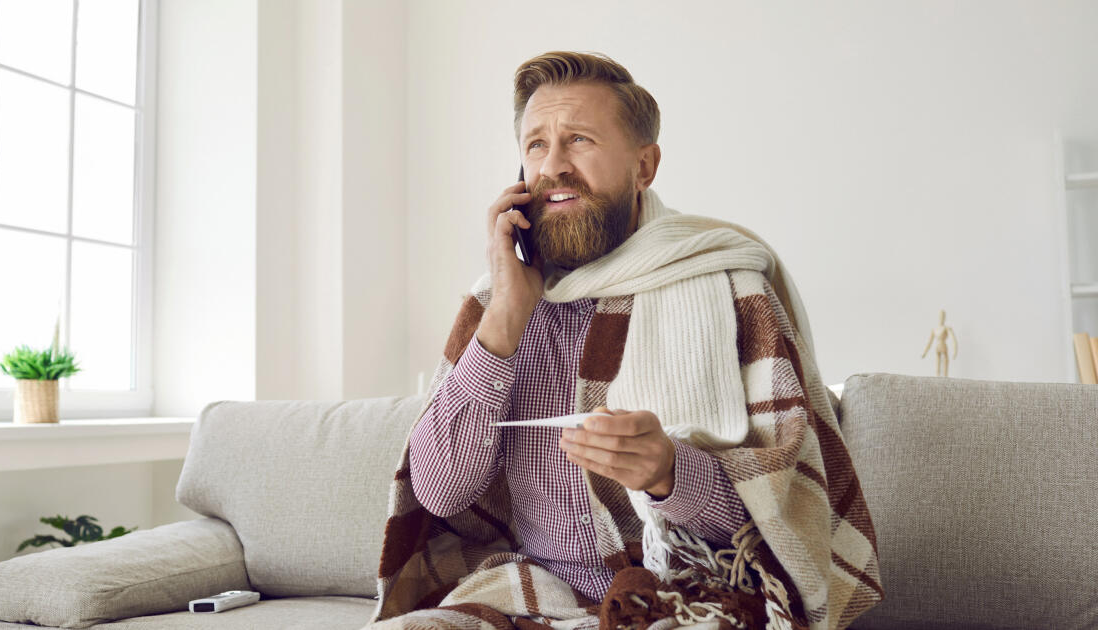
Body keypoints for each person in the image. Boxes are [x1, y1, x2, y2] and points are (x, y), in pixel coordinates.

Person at [368, 51, 882, 630]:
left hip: (684, 595)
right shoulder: (496, 302)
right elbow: (439, 492)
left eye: (579, 140)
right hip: (530, 591)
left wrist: (669, 472)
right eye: (536, 145)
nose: (552, 166)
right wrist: (507, 317)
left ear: (645, 165)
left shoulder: (732, 288)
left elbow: (791, 518)